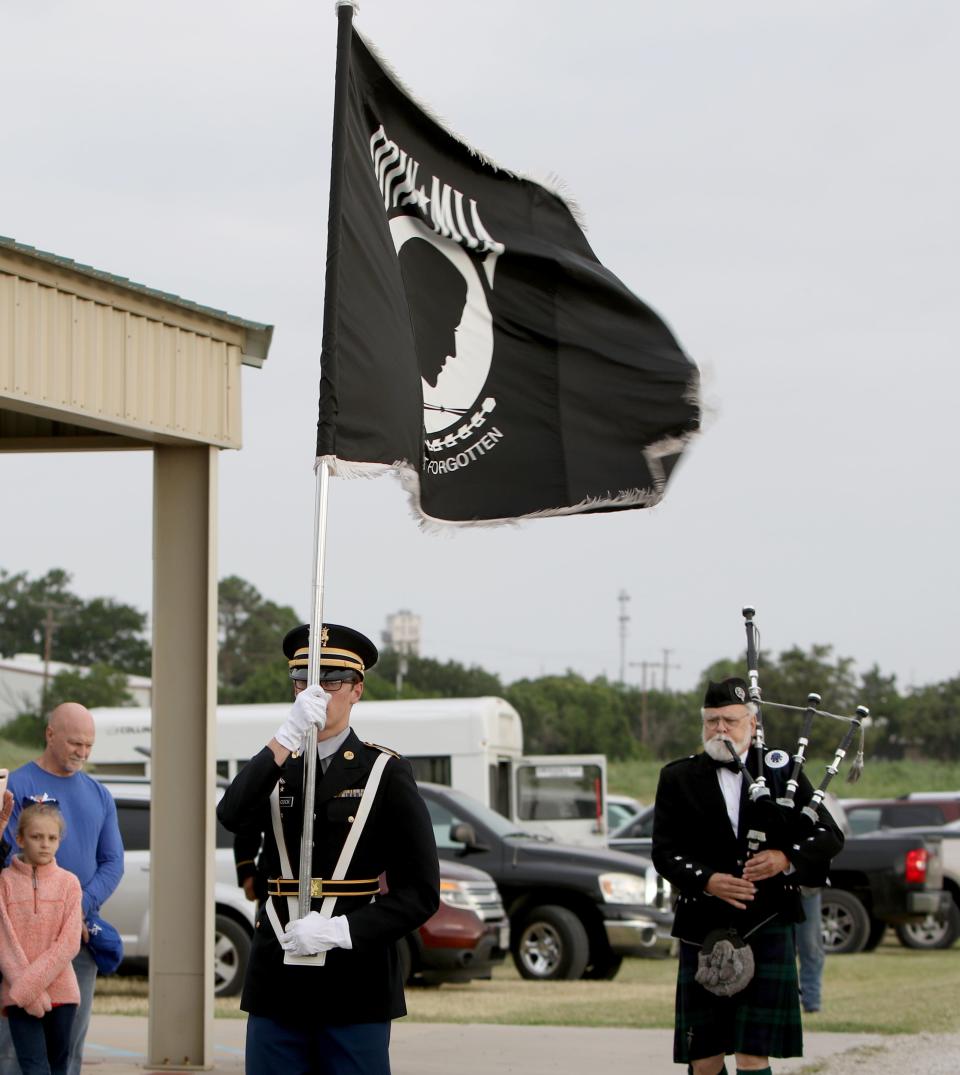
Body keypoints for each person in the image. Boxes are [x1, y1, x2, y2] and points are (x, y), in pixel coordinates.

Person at [217, 622, 440, 1075]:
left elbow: (420, 893)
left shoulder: (386, 772)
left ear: (356, 690)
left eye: (330, 681)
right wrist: (285, 736)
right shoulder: (277, 763)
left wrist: (341, 932)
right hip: (278, 977)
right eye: (301, 681)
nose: (313, 693)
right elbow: (233, 815)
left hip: (353, 981)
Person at [651, 678, 844, 1075]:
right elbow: (664, 852)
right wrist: (707, 879)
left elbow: (828, 835)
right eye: (712, 721)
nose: (720, 729)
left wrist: (784, 857)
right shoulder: (678, 777)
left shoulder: (782, 771)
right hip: (702, 927)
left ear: (752, 724)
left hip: (765, 920)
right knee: (703, 1059)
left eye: (730, 721)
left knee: (752, 1053)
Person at [0, 703, 124, 1075]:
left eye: (89, 746)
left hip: (77, 939)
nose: (82, 753)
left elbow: (112, 862)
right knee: (12, 1051)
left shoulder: (99, 794)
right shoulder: (16, 787)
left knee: (67, 1051)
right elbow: (6, 862)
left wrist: (76, 909)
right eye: (74, 743)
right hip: (18, 944)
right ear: (49, 734)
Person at [0, 801, 82, 1075]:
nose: (45, 844)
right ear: (20, 839)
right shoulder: (4, 882)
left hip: (61, 994)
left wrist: (28, 987)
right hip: (19, 995)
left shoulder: (69, 883)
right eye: (36, 837)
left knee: (58, 1067)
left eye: (52, 838)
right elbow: (4, 943)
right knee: (34, 1067)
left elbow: (69, 942)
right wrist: (27, 994)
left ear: (59, 841)